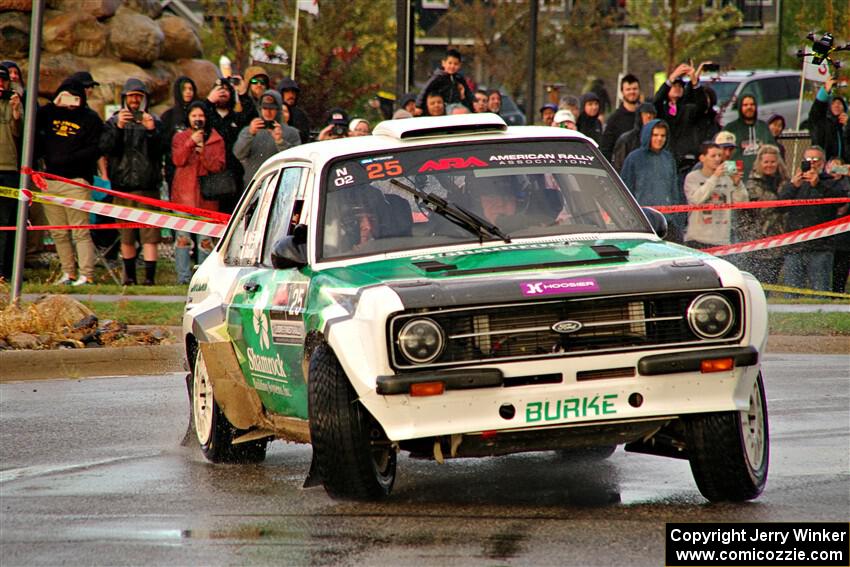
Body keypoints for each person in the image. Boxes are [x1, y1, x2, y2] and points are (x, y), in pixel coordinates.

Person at [34, 77, 102, 286]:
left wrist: (69, 158)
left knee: (80, 230)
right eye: (66, 96)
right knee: (58, 231)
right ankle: (68, 272)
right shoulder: (48, 113)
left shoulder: (90, 118)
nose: (71, 102)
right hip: (50, 180)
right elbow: (35, 127)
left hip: (77, 181)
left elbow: (96, 147)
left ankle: (86, 274)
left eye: (75, 97)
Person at [99, 78, 164, 286]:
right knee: (126, 235)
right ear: (124, 98)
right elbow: (106, 148)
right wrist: (118, 127)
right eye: (131, 96)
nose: (135, 100)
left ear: (145, 99)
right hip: (123, 187)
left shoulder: (154, 121)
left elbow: (161, 152)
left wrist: (152, 130)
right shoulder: (113, 121)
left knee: (149, 235)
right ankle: (129, 276)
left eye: (139, 96)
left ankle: (150, 278)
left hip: (148, 187)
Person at [778, 145, 850, 292]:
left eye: (816, 159)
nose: (812, 163)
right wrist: (793, 186)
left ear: (823, 163)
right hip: (795, 246)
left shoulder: (830, 181)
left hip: (821, 247)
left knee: (820, 292)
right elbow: (778, 207)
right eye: (808, 159)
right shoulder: (794, 183)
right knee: (792, 292)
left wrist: (818, 185)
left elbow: (841, 200)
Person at [171, 101, 226, 284]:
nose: (197, 119)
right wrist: (190, 143)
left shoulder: (216, 139)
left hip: (206, 197)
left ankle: (204, 280)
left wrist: (203, 152)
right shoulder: (180, 137)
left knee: (205, 241)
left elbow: (217, 166)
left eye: (201, 116)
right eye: (194, 116)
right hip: (183, 196)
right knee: (183, 238)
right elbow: (178, 160)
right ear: (188, 118)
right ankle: (184, 278)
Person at [735, 144, 789, 284]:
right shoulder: (751, 185)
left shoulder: (786, 184)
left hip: (780, 243)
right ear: (759, 163)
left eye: (773, 161)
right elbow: (742, 216)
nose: (769, 165)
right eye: (766, 162)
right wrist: (753, 236)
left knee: (772, 282)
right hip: (758, 246)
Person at [682, 142, 748, 249]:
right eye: (713, 156)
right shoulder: (693, 177)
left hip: (721, 239)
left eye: (719, 156)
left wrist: (737, 184)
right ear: (702, 158)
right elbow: (696, 199)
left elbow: (742, 204)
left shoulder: (727, 177)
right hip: (697, 238)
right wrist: (715, 177)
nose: (717, 159)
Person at [204, 77, 252, 214]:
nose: (223, 92)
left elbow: (252, 117)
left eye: (226, 89)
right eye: (219, 89)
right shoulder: (207, 115)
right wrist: (208, 101)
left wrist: (243, 93)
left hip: (234, 177)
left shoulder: (236, 117)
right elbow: (193, 115)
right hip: (211, 176)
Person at [233, 90, 300, 185]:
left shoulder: (291, 132)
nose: (268, 112)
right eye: (265, 108)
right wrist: (249, 134)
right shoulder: (249, 130)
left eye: (272, 108)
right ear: (260, 109)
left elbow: (295, 160)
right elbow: (238, 154)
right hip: (255, 184)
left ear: (278, 110)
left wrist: (280, 141)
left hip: (281, 184)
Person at [652, 63, 709, 171]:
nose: (677, 88)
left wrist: (694, 81)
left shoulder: (688, 109)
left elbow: (702, 106)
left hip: (685, 161)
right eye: (674, 85)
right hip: (666, 158)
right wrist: (672, 78)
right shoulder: (662, 108)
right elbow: (656, 101)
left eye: (680, 86)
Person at [620, 119, 679, 209]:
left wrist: (674, 213)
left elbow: (674, 188)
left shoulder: (669, 158)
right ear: (648, 135)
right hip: (642, 215)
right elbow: (626, 187)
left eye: (663, 135)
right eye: (655, 135)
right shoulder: (634, 158)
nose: (659, 139)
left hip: (666, 215)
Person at [0, 64, 22, 280]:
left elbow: (21, 135)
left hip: (8, 169)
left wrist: (16, 111)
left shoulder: (14, 103)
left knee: (7, 223)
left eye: (4, 81)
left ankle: (5, 271)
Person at [723, 93, 776, 180]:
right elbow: (725, 154)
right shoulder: (731, 128)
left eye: (752, 104)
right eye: (745, 105)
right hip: (738, 178)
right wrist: (732, 177)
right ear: (740, 107)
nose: (749, 107)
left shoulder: (763, 127)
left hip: (762, 179)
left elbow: (772, 150)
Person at [159, 76, 198, 193]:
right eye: (184, 89)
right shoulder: (168, 116)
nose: (188, 92)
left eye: (190, 89)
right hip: (175, 169)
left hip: (197, 169)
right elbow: (164, 144)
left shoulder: (200, 114)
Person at [416, 49, 474, 114]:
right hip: (443, 105)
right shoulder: (437, 77)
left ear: (460, 65)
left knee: (467, 112)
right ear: (443, 63)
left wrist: (473, 101)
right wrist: (418, 106)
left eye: (455, 64)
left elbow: (468, 92)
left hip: (457, 103)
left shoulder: (459, 78)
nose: (452, 66)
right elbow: (425, 90)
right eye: (450, 63)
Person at [599, 74, 641, 160]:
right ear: (622, 92)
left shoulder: (645, 115)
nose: (632, 92)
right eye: (628, 89)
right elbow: (606, 149)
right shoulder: (614, 119)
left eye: (635, 89)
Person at [808, 76, 847, 162]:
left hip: (843, 169)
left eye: (839, 103)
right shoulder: (821, 123)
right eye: (833, 103)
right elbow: (816, 111)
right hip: (824, 168)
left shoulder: (846, 127)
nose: (836, 106)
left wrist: (848, 127)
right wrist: (825, 90)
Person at [611, 102, 656, 172]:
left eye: (651, 114)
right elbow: (619, 166)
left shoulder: (657, 140)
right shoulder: (627, 139)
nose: (649, 116)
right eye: (645, 113)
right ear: (639, 116)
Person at [276, 77, 311, 144]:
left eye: (293, 92)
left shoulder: (300, 115)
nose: (291, 95)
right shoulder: (273, 111)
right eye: (287, 91)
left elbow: (303, 137)